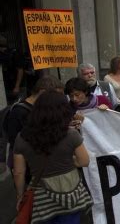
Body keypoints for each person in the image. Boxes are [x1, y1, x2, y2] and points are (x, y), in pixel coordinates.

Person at [13, 90, 93, 224]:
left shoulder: (22, 137)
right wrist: (67, 161)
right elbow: (84, 161)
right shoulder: (71, 135)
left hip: (41, 194)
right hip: (70, 191)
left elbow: (19, 172)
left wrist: (20, 195)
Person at [4, 76, 64, 176]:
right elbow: (17, 142)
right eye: (55, 96)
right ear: (42, 92)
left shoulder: (39, 108)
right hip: (27, 167)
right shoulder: (18, 112)